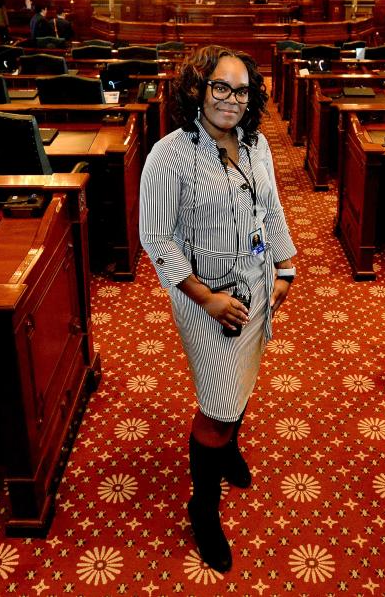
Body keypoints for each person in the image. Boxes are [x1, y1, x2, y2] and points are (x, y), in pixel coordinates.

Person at [139, 45, 297, 573]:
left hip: (254, 285)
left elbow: (270, 207)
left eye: (241, 90)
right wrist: (206, 298)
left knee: (243, 381)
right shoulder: (171, 154)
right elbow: (157, 239)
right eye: (220, 87)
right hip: (204, 297)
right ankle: (202, 507)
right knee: (219, 403)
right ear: (198, 89)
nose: (230, 99)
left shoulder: (256, 145)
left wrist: (285, 267)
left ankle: (227, 449)